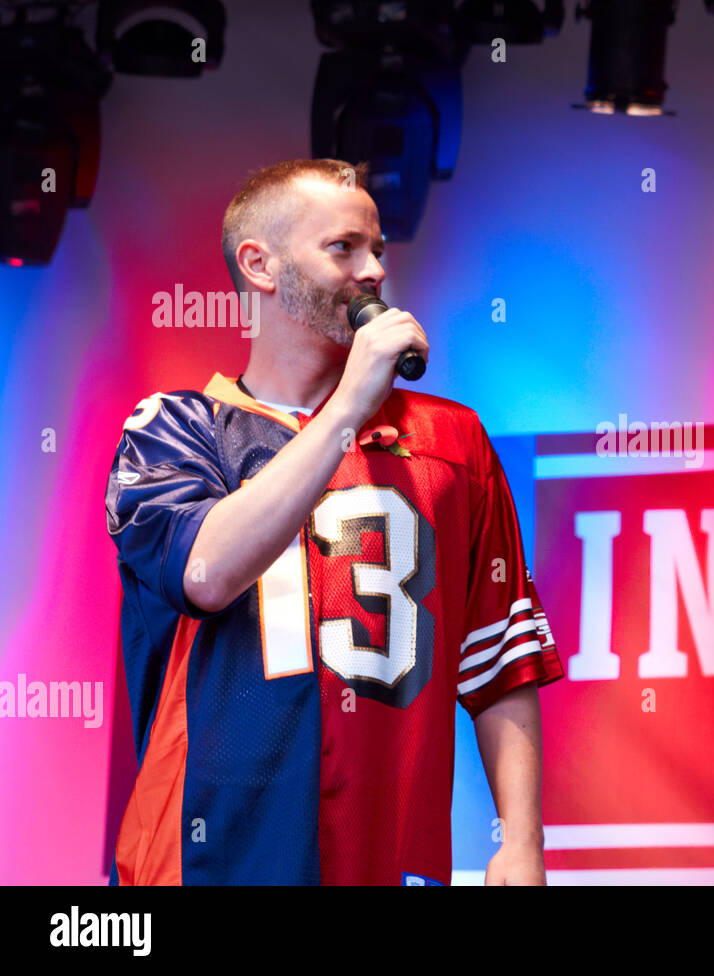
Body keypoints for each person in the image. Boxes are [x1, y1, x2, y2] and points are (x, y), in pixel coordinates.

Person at [105, 158, 563, 885]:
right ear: (260, 265)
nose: (374, 270)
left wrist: (522, 841)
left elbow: (500, 657)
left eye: (379, 249)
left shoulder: (452, 442)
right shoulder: (174, 428)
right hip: (205, 859)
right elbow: (208, 572)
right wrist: (347, 407)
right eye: (344, 248)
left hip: (384, 857)